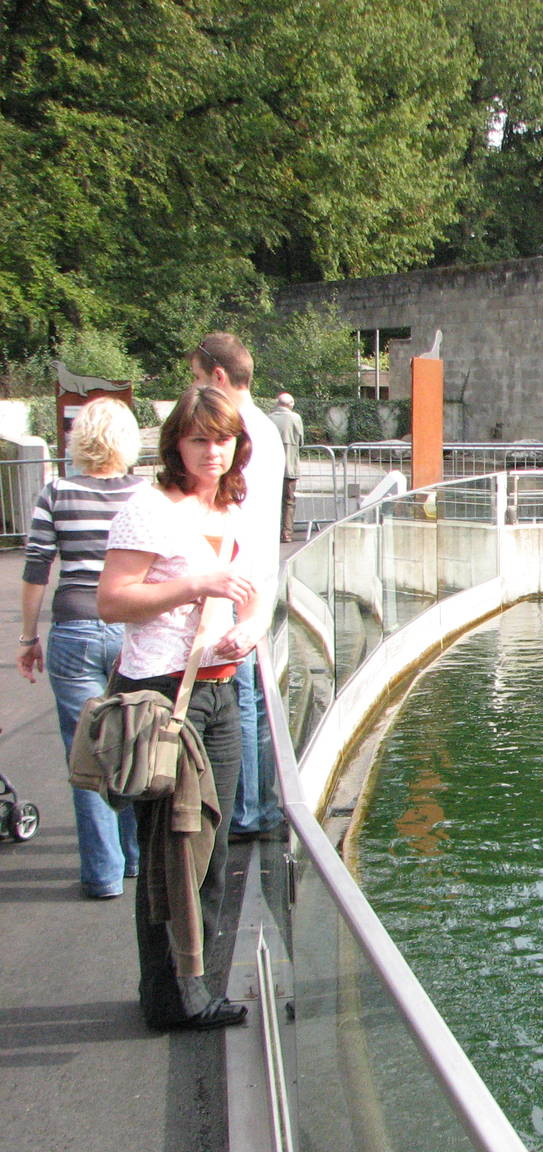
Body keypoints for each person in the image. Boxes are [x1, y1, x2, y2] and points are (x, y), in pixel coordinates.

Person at [98, 384, 264, 1032]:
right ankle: (171, 998)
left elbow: (250, 592)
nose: (212, 451)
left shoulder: (232, 505)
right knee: (172, 851)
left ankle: (195, 986)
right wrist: (196, 583)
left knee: (212, 847)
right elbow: (112, 601)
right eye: (199, 439)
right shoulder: (151, 509)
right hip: (167, 697)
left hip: (220, 689)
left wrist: (248, 629)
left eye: (221, 439)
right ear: (175, 443)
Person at [17, 398, 146, 898]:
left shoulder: (57, 492)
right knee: (136, 739)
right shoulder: (144, 493)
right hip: (129, 627)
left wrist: (29, 637)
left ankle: (102, 873)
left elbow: (36, 570)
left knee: (87, 752)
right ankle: (135, 857)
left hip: (73, 629)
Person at [188, 333, 285, 841]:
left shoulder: (236, 431)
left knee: (239, 699)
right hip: (260, 578)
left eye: (199, 379)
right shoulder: (267, 427)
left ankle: (245, 809)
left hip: (237, 583)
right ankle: (256, 803)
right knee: (253, 700)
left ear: (218, 376)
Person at [267, 392, 303, 542]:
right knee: (289, 501)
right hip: (289, 466)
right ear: (291, 404)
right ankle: (287, 533)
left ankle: (270, 531)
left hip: (270, 468)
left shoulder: (268, 418)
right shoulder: (295, 418)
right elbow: (301, 441)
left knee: (271, 500)